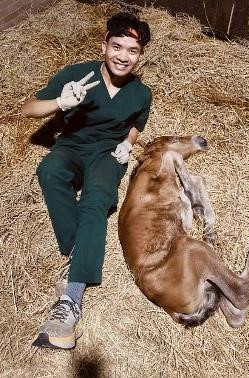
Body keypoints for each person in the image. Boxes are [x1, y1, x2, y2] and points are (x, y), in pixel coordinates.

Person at [21, 12, 152, 350]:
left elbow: (137, 122)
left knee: (96, 200)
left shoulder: (141, 93)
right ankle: (80, 247)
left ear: (141, 55)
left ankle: (71, 299)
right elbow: (27, 108)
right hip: (72, 145)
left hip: (108, 155)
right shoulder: (77, 74)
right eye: (117, 46)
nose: (123, 56)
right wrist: (60, 102)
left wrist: (128, 144)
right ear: (104, 45)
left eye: (132, 50)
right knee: (48, 171)